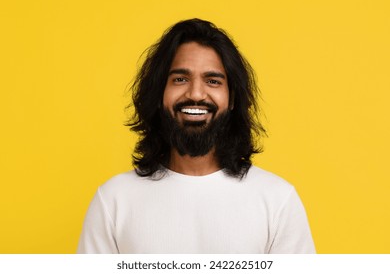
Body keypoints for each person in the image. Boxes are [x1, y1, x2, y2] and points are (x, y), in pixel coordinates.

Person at [77, 18, 315, 254]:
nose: (196, 94)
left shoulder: (277, 201)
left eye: (213, 81)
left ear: (232, 99)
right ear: (160, 94)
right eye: (180, 79)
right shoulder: (113, 201)